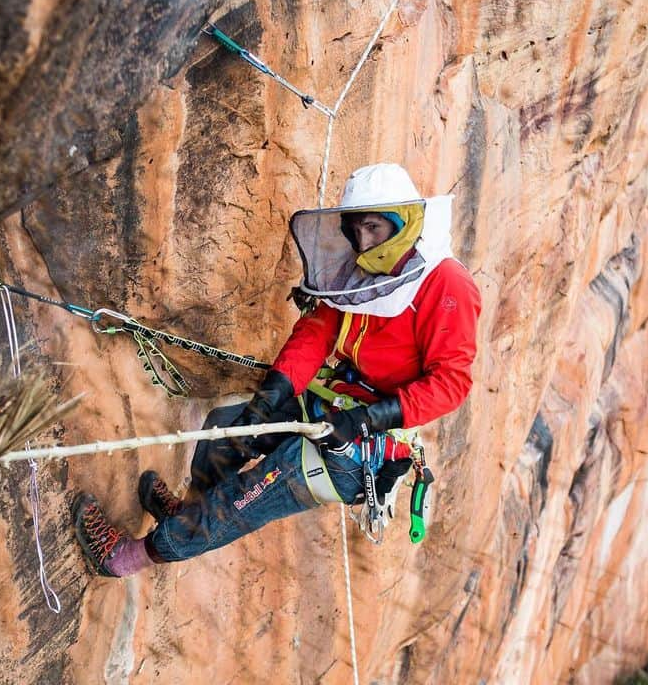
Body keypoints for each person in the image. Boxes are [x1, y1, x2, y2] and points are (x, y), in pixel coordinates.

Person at [73, 163, 481, 577]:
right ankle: (188, 512)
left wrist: (367, 419)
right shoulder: (360, 271)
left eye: (374, 228)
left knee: (246, 498)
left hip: (364, 443)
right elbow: (317, 331)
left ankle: (123, 560)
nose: (363, 241)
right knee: (224, 431)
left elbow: (451, 382)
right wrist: (274, 394)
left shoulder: (446, 283)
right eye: (355, 230)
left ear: (404, 223)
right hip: (331, 406)